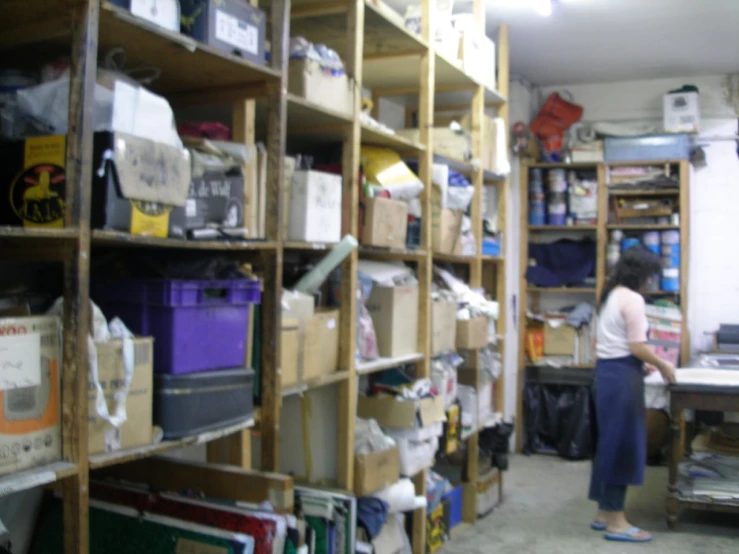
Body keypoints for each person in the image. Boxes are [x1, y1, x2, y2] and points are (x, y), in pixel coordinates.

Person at [588, 246, 677, 543]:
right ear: (641, 274)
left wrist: (641, 363)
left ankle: (604, 513)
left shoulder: (610, 295)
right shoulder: (634, 300)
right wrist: (662, 363)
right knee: (622, 447)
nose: (652, 282)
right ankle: (617, 522)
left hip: (607, 375)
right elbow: (637, 346)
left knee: (608, 444)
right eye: (651, 275)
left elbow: (609, 343)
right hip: (622, 379)